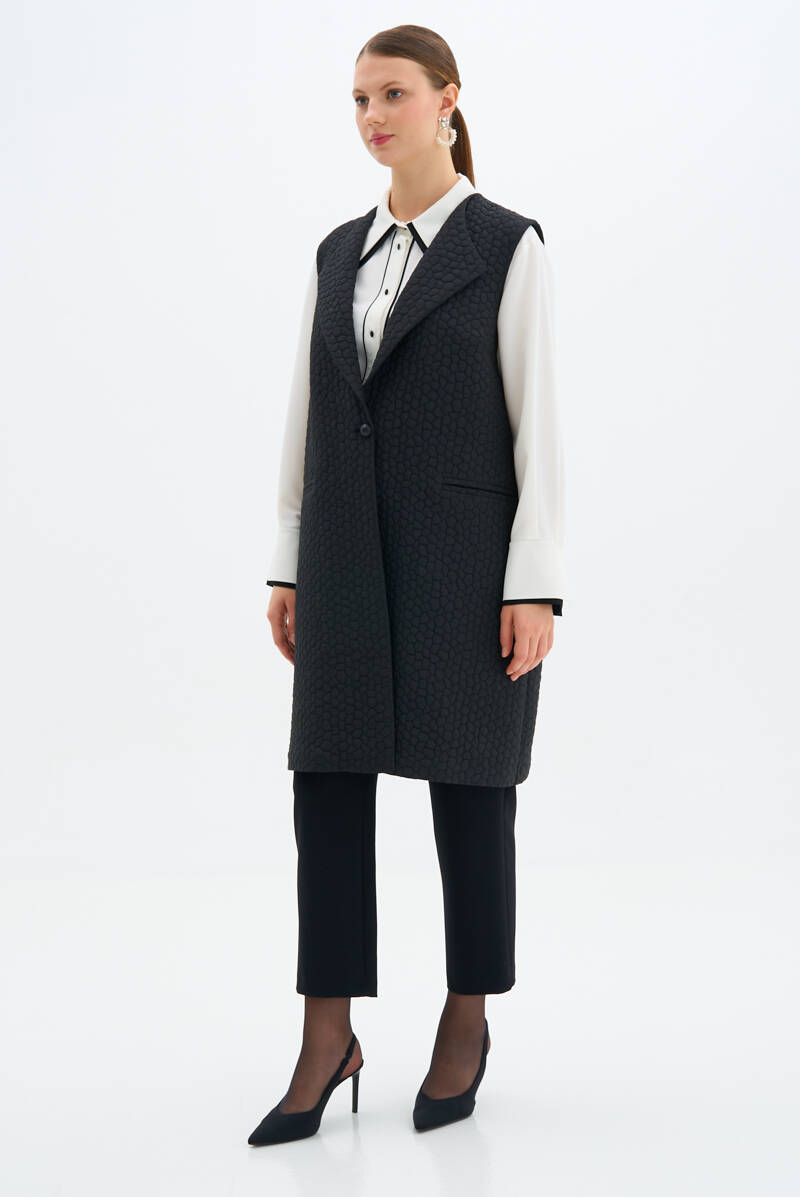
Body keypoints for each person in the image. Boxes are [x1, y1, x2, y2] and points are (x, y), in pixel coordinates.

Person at [249, 23, 568, 1146]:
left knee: (472, 793)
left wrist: (533, 585)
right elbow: (304, 415)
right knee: (326, 791)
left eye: (392, 94)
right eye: (358, 99)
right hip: (340, 559)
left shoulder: (505, 245)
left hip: (465, 567)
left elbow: (539, 428)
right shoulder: (337, 252)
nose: (372, 117)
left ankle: (466, 1017)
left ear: (447, 100)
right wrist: (288, 560)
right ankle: (324, 1034)